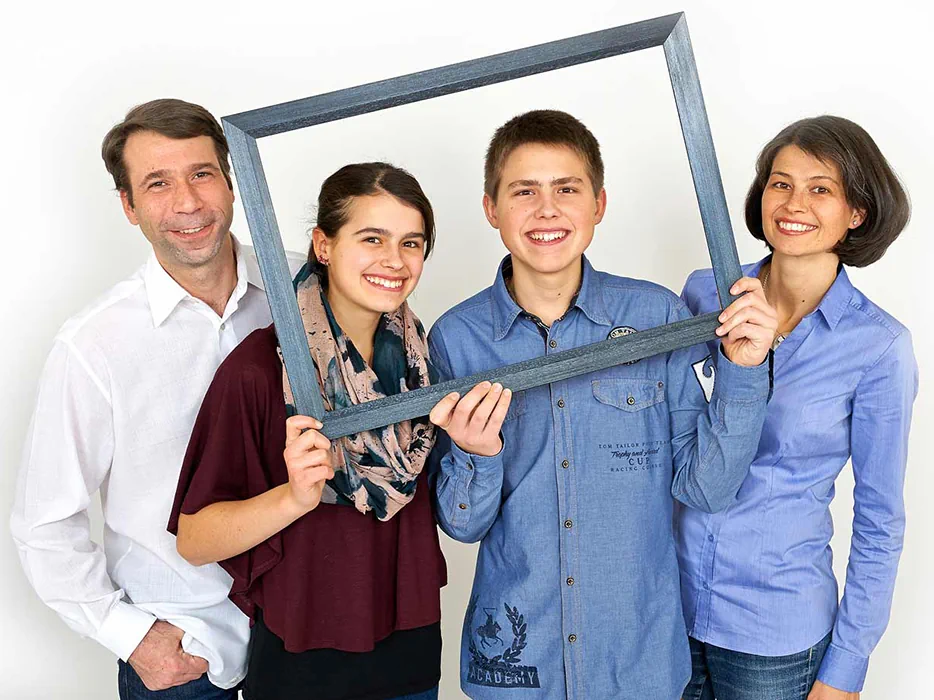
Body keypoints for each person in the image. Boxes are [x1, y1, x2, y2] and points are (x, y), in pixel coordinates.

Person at [426, 109, 778, 699]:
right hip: (515, 672)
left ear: (599, 204)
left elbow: (706, 487)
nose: (547, 210)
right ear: (491, 208)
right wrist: (475, 452)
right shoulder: (456, 338)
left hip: (638, 666)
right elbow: (462, 523)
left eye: (567, 189)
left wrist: (743, 373)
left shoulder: (656, 317)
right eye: (524, 191)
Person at [10, 98, 304, 698]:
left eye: (201, 174)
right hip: (188, 653)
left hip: (311, 633)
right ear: (129, 206)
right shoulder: (94, 345)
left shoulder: (303, 290)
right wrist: (132, 637)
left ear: (230, 180)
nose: (188, 203)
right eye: (158, 183)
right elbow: (44, 523)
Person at [169, 162, 447, 700]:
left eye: (411, 243)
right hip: (304, 663)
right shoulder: (259, 370)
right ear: (323, 245)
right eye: (373, 239)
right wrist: (294, 498)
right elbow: (195, 540)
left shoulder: (425, 362)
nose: (395, 260)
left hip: (411, 656)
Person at [677, 116, 917, 700]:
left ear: (856, 212)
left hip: (775, 634)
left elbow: (880, 521)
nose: (793, 203)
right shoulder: (704, 294)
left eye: (821, 188)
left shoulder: (879, 346)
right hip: (668, 608)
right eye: (780, 183)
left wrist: (845, 670)